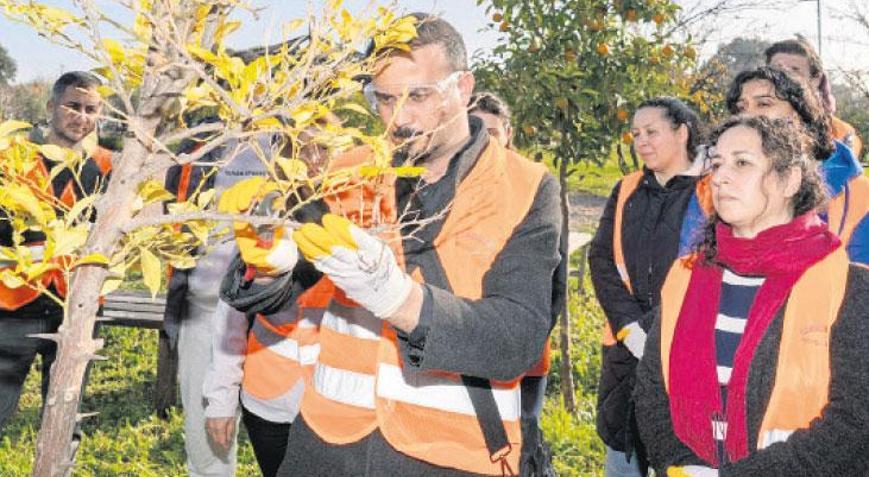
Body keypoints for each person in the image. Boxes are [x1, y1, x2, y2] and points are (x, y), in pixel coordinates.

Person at [222, 12, 562, 476]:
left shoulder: (526, 186)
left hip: (450, 455)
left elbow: (516, 338)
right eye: (383, 99)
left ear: (462, 88)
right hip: (327, 444)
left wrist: (400, 300)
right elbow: (286, 283)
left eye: (418, 96)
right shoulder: (351, 171)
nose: (399, 118)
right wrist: (270, 266)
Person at [634, 115, 869, 476]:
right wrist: (679, 465)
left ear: (790, 179)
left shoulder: (847, 285)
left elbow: (854, 422)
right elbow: (651, 390)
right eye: (716, 164)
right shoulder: (684, 275)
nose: (721, 177)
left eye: (742, 163)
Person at [589, 97, 709, 477]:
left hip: (685, 352)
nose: (641, 141)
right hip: (626, 354)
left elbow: (708, 271)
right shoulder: (626, 190)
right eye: (636, 134)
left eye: (652, 132)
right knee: (623, 458)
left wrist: (653, 331)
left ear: (682, 132)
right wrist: (629, 327)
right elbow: (601, 260)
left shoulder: (711, 192)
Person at [0, 71, 111, 433]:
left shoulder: (109, 169)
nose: (82, 116)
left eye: (91, 109)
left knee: (65, 416)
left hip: (78, 306)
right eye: (73, 105)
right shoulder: (13, 161)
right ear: (51, 106)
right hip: (15, 304)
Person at [162, 128, 275, 476]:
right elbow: (174, 234)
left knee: (287, 443)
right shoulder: (197, 146)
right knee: (207, 440)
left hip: (278, 320)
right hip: (206, 314)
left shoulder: (297, 140)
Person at [726, 66, 869, 265]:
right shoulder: (720, 187)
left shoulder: (861, 198)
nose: (748, 116)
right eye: (741, 107)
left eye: (764, 104)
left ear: (800, 114)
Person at [764, 37, 862, 157]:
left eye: (795, 70)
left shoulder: (840, 133)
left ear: (816, 80)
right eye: (777, 69)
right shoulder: (747, 119)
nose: (784, 76)